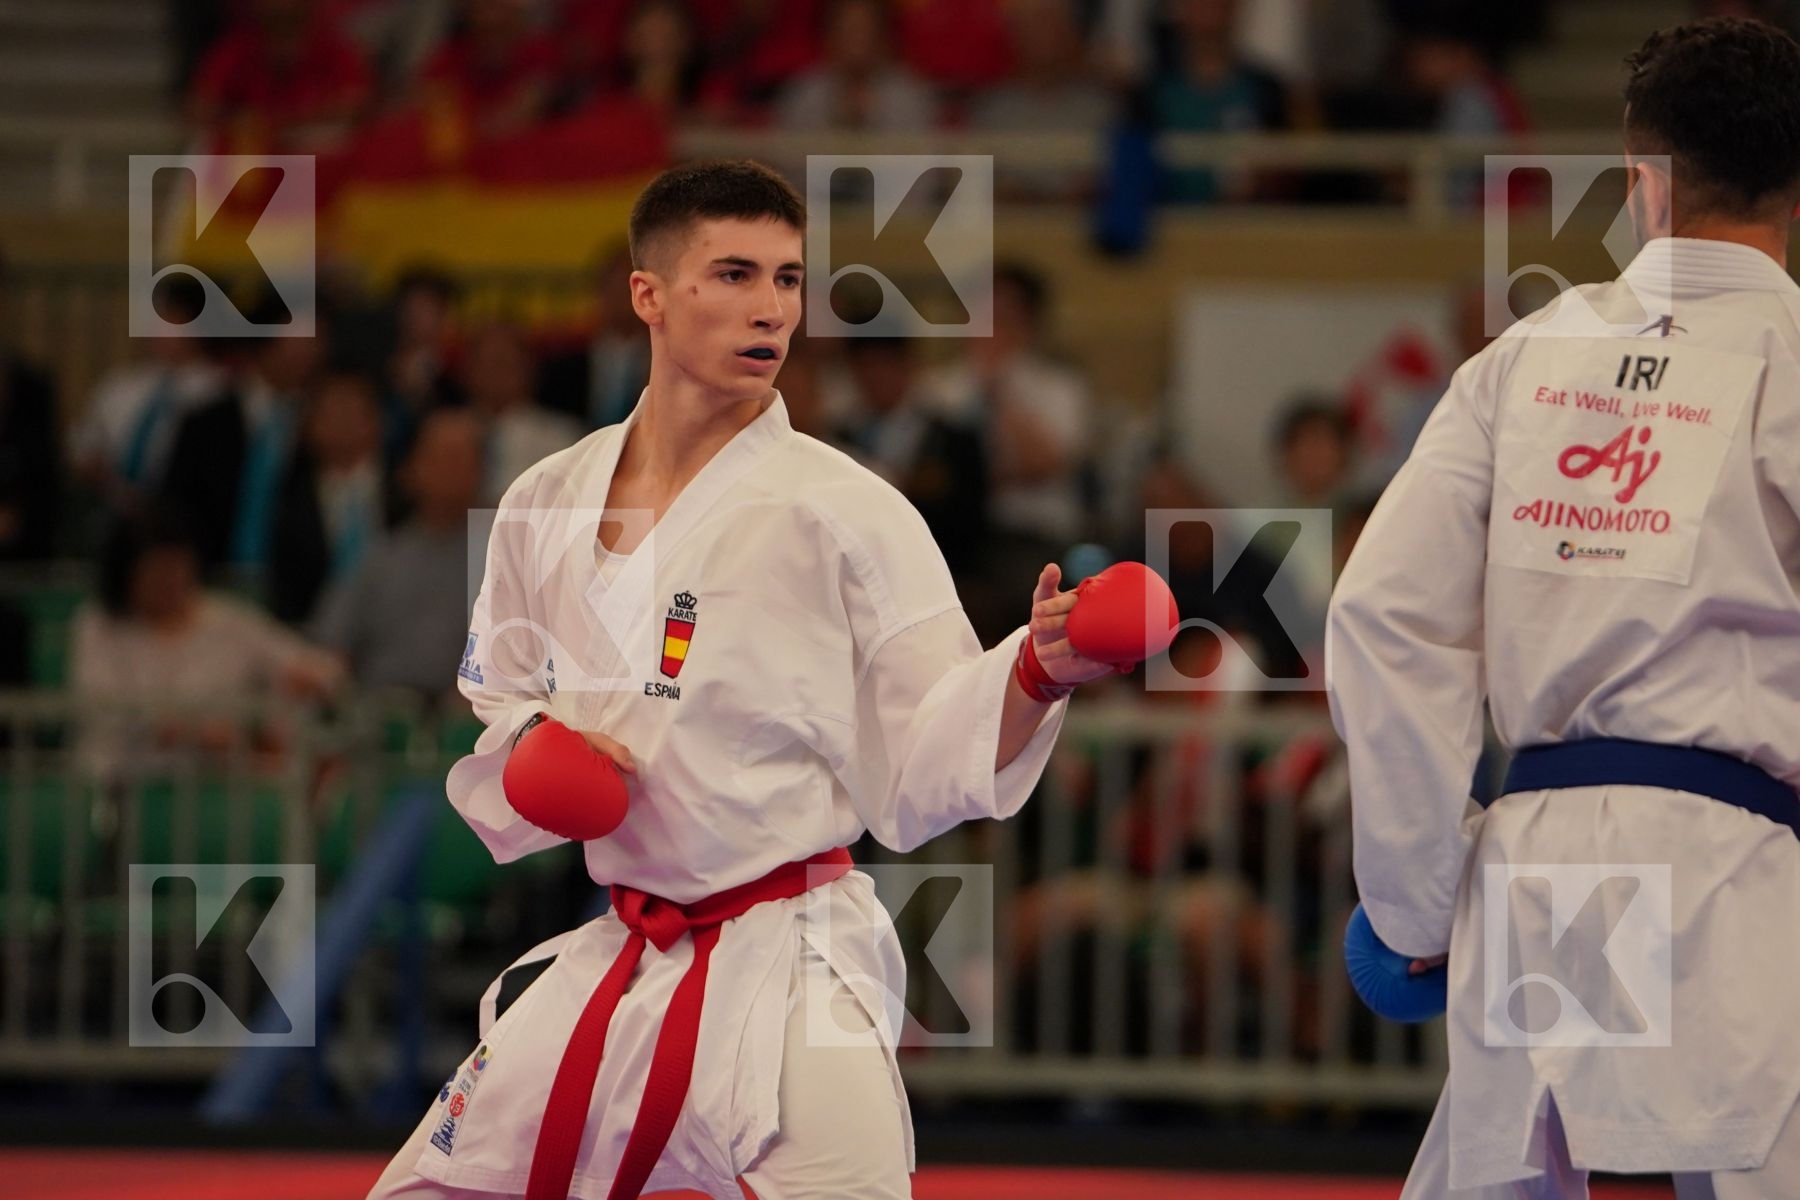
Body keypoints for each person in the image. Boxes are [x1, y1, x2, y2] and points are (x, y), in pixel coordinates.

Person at [365, 158, 1118, 1200]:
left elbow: (931, 743)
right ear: (649, 295)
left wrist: (1036, 667)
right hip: (621, 952)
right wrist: (536, 748)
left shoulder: (845, 510)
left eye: (788, 279)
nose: (772, 308)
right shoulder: (546, 498)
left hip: (792, 960)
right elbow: (502, 687)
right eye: (734, 274)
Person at [1327, 18, 1800, 1197]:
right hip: (1735, 877)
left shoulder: (1523, 360)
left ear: (1642, 180)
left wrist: (1416, 904)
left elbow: (1385, 621)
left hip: (1534, 871)